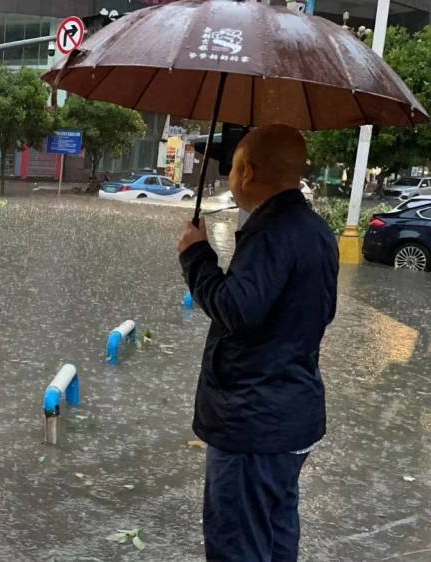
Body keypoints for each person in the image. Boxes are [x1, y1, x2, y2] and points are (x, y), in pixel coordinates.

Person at [176, 125, 338, 562]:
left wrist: (195, 255)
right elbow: (319, 313)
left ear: (246, 171)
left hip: (252, 426)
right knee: (276, 534)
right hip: (291, 419)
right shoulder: (317, 231)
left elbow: (236, 310)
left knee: (238, 546)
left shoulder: (271, 233)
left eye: (232, 169)